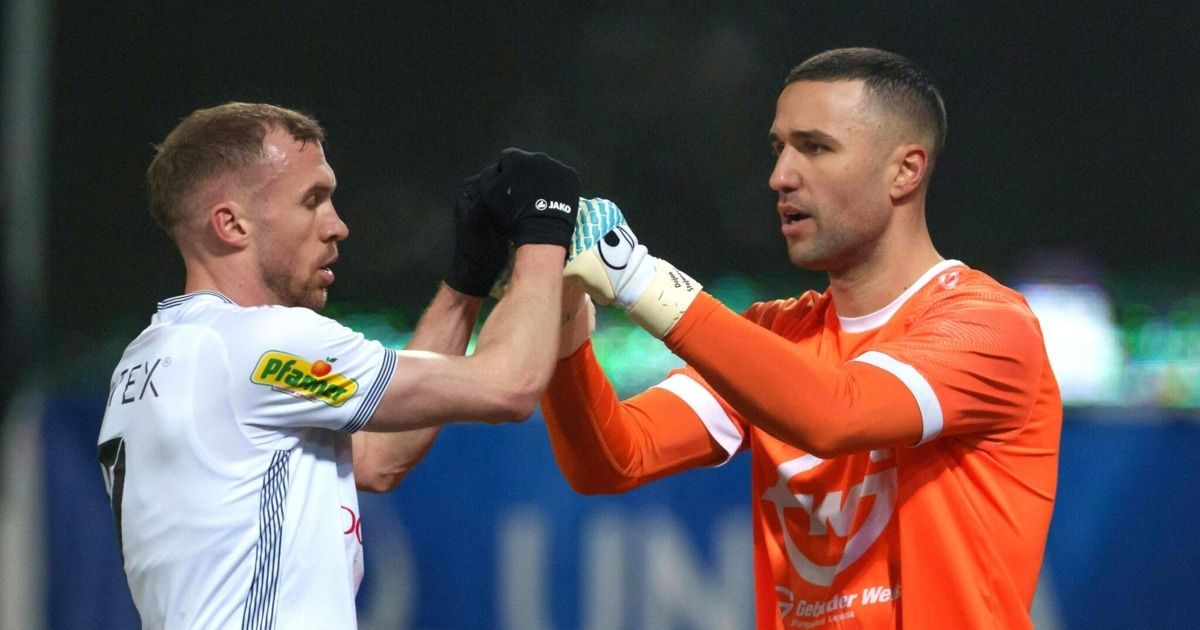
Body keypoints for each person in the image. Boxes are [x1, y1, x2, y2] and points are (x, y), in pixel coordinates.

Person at [542, 49, 1062, 629]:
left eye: (815, 148)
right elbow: (612, 459)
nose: (781, 176)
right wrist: (561, 315)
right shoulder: (777, 335)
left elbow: (834, 413)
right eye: (778, 149)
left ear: (905, 171)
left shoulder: (988, 325)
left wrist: (631, 275)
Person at [96, 102, 579, 629]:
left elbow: (375, 460)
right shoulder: (261, 345)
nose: (339, 226)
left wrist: (469, 279)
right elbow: (511, 386)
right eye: (312, 201)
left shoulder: (152, 356)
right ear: (232, 223)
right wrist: (544, 229)